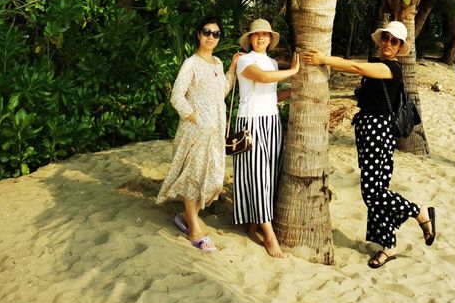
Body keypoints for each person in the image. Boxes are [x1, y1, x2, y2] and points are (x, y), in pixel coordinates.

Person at [303, 20, 436, 269]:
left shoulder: (392, 69)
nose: (388, 43)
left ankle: (419, 213)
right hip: (366, 130)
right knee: (374, 192)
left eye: (394, 41)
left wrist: (324, 59)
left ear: (400, 47)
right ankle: (388, 246)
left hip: (379, 132)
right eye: (385, 38)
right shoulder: (379, 64)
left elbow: (354, 67)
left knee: (374, 193)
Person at [156, 15, 239, 251]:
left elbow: (220, 92)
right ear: (198, 34)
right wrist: (195, 118)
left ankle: (184, 215)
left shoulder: (218, 64)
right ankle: (193, 227)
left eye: (216, 33)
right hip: (194, 132)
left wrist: (232, 68)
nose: (211, 37)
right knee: (193, 177)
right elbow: (176, 97)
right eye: (207, 32)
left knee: (211, 178)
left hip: (214, 133)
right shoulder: (191, 64)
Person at [233, 18, 299, 258]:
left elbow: (271, 94)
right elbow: (260, 78)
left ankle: (254, 224)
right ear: (250, 39)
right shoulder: (244, 60)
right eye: (257, 34)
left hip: (271, 121)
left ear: (271, 39)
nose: (261, 38)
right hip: (251, 122)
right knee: (258, 175)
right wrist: (292, 72)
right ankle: (270, 236)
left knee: (270, 174)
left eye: (266, 35)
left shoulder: (271, 62)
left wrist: (294, 90)